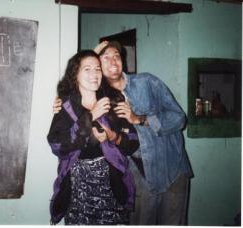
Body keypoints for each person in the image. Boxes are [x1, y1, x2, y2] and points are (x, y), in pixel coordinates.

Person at [53, 41, 193, 225]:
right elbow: (77, 81)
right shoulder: (104, 97)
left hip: (172, 168)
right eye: (105, 58)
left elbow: (179, 118)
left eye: (116, 56)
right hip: (139, 177)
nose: (113, 62)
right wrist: (61, 99)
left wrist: (140, 119)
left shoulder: (147, 82)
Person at [47, 50, 139, 225]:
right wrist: (90, 116)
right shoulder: (66, 106)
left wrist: (112, 136)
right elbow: (57, 145)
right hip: (77, 187)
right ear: (75, 75)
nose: (94, 74)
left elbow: (132, 142)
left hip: (112, 185)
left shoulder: (113, 101)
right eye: (87, 69)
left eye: (97, 69)